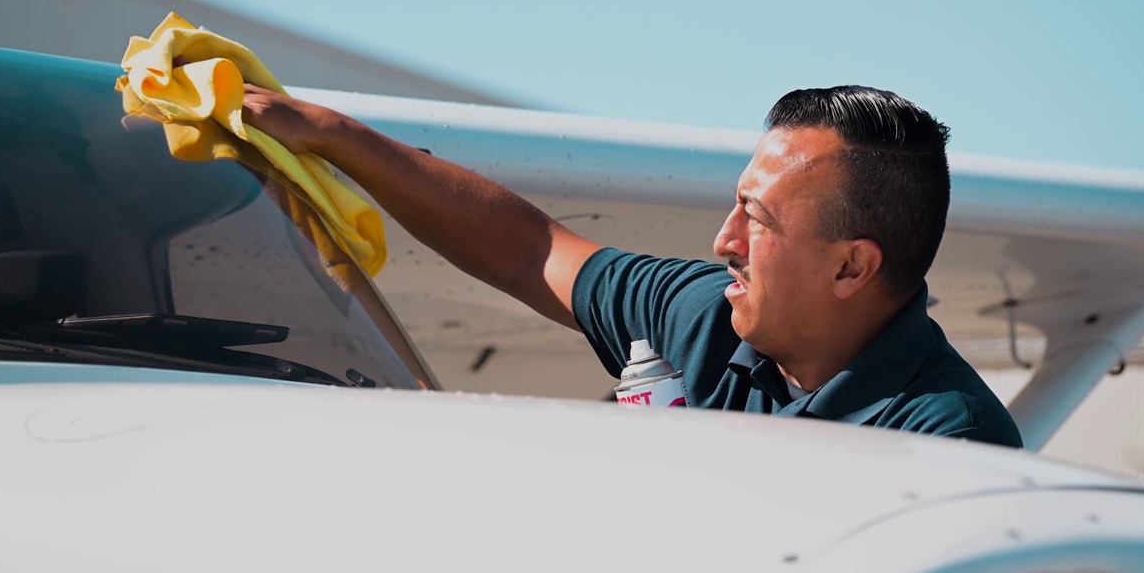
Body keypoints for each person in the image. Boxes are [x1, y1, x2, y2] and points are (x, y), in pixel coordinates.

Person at [242, 84, 1023, 447]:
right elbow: (530, 252)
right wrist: (337, 137)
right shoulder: (702, 316)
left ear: (852, 267)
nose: (724, 241)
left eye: (756, 218)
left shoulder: (950, 443)